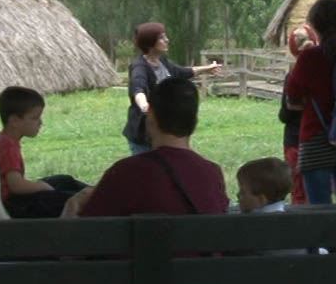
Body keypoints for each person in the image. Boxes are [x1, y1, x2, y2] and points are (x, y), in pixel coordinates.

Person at [67, 76, 228, 217]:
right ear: (194, 121)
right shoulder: (212, 174)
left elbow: (88, 237)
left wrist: (72, 206)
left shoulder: (125, 172)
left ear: (151, 116)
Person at [285, 0, 336, 205]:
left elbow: (291, 100)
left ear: (315, 25)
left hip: (315, 138)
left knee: (319, 212)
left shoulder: (309, 58)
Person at [0, 86, 89, 218]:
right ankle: (95, 198)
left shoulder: (2, 140)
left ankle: (95, 192)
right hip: (13, 205)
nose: (40, 122)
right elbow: (16, 186)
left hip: (13, 200)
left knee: (64, 180)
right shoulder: (8, 148)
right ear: (14, 121)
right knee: (66, 199)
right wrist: (42, 186)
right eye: (35, 118)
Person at [123, 21, 222, 155]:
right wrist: (145, 106)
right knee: (149, 172)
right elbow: (138, 89)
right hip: (144, 135)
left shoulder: (161, 61)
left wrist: (207, 69)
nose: (167, 40)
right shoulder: (140, 67)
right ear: (150, 43)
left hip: (164, 130)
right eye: (162, 38)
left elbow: (181, 72)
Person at [278, 25, 317, 205]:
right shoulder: (325, 73)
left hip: (296, 140)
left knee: (299, 193)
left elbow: (284, 115)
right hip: (320, 139)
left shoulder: (293, 75)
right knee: (319, 193)